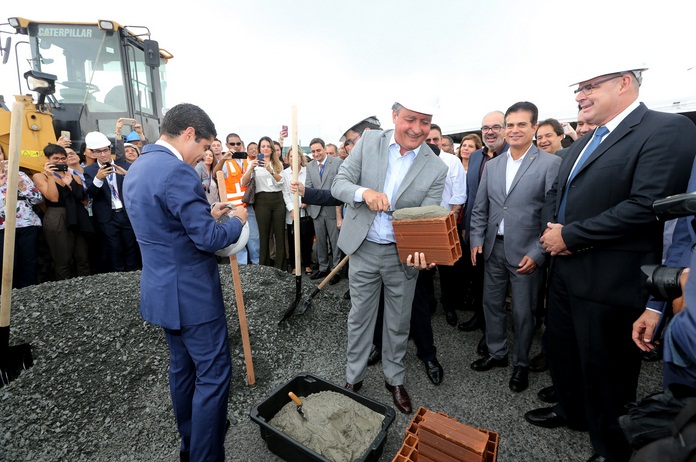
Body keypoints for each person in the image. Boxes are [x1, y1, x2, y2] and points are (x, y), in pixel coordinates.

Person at [526, 65, 696, 462]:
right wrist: (553, 234)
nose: (580, 96)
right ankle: (571, 410)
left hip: (611, 278)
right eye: (578, 89)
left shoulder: (666, 129)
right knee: (563, 349)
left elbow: (645, 205)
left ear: (624, 83)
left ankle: (610, 446)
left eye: (589, 87)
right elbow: (556, 192)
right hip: (564, 270)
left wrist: (571, 236)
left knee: (607, 367)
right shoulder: (583, 142)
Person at [123, 102, 248, 462]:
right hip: (192, 295)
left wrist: (205, 216)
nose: (204, 154)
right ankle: (205, 455)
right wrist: (236, 219)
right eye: (205, 146)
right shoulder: (178, 172)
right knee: (212, 375)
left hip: (161, 289)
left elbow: (165, 222)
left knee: (182, 369)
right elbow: (209, 240)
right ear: (189, 133)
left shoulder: (139, 166)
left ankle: (189, 442)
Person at [331, 98, 448, 414]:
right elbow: (340, 184)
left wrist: (427, 252)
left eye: (425, 122)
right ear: (394, 115)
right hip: (364, 249)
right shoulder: (369, 141)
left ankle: (394, 379)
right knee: (359, 317)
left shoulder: (437, 167)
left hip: (403, 256)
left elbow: (429, 218)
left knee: (398, 321)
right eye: (410, 119)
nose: (417, 128)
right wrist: (364, 193)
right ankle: (353, 378)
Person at [469, 102, 561, 393]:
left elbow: (553, 215)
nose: (515, 130)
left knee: (523, 313)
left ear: (534, 128)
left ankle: (521, 363)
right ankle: (497, 353)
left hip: (527, 253)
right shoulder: (493, 165)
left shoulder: (549, 164)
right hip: (492, 248)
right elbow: (480, 208)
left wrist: (538, 253)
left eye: (522, 124)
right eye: (510, 124)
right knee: (491, 304)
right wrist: (475, 240)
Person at [458, 111, 509, 359]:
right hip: (476, 230)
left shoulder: (513, 154)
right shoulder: (477, 156)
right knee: (478, 278)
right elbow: (471, 194)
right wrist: (468, 226)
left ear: (505, 129)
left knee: (497, 289)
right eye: (485, 128)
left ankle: (492, 332)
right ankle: (479, 317)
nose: (489, 132)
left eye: (495, 127)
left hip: (503, 233)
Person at [32, 144, 93, 280]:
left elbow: (83, 201)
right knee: (62, 259)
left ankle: (88, 290)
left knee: (82, 257)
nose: (60, 161)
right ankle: (64, 292)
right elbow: (53, 197)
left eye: (63, 158)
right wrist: (51, 177)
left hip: (77, 216)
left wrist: (71, 183)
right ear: (47, 159)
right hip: (56, 216)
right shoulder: (40, 176)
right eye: (56, 158)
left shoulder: (74, 176)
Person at [83, 131, 140, 272]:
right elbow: (90, 194)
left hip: (126, 213)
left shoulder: (125, 166)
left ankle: (133, 276)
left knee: (130, 245)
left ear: (110, 149)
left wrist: (127, 175)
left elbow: (138, 187)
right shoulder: (90, 171)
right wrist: (98, 179)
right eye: (98, 151)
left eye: (105, 150)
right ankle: (118, 278)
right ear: (92, 153)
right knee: (114, 248)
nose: (103, 154)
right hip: (107, 217)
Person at [0, 145, 43, 288]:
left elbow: (38, 199)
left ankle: (28, 295)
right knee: (6, 263)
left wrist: (22, 186)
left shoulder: (21, 175)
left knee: (28, 262)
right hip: (3, 227)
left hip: (27, 224)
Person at [242, 136, 285, 269]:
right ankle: (264, 266)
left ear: (272, 149)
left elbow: (281, 181)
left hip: (278, 200)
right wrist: (251, 169)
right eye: (263, 146)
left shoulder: (277, 163)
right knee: (264, 234)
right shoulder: (253, 163)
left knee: (279, 235)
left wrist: (270, 169)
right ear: (259, 149)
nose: (265, 148)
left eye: (268, 146)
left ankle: (282, 267)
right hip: (262, 201)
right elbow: (244, 182)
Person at [305, 138, 342, 282]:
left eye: (318, 150)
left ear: (324, 149)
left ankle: (336, 271)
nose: (315, 154)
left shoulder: (337, 163)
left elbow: (339, 185)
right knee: (320, 242)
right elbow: (308, 185)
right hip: (316, 210)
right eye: (313, 151)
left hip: (333, 209)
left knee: (335, 242)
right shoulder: (310, 166)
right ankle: (323, 268)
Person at [282, 147, 314, 275]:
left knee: (307, 239)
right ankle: (295, 265)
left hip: (307, 210)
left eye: (296, 156)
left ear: (301, 158)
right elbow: (285, 193)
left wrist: (307, 201)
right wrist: (291, 208)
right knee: (293, 239)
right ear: (288, 159)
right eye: (291, 156)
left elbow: (311, 188)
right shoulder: (285, 173)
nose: (294, 159)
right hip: (292, 212)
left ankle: (307, 263)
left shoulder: (308, 171)